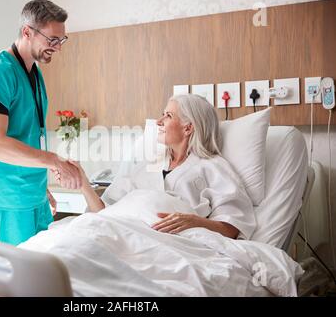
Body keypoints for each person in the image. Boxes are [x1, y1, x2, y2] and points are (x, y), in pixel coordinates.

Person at [56, 94, 256, 240]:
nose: (158, 121)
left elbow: (232, 227)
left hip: (169, 244)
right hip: (123, 235)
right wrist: (83, 182)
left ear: (188, 127)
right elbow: (104, 213)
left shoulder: (213, 167)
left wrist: (194, 221)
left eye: (168, 116)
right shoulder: (146, 165)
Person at [0, 0, 81, 246]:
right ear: (27, 32)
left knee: (37, 274)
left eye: (61, 40)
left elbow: (29, 136)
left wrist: (40, 186)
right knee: (11, 277)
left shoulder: (34, 73)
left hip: (32, 195)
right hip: (5, 198)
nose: (58, 47)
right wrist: (55, 161)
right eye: (52, 40)